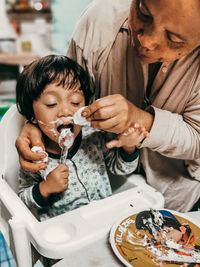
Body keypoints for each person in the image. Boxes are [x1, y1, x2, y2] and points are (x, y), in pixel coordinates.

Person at [15, 0, 200, 213]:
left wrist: (133, 137)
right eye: (144, 13)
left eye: (174, 39)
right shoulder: (99, 22)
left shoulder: (92, 142)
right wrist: (32, 121)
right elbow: (65, 85)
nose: (146, 41)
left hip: (172, 198)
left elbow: (120, 165)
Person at [16, 54, 148, 221]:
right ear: (32, 115)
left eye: (76, 102)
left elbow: (122, 170)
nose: (66, 111)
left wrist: (129, 147)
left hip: (103, 219)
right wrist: (45, 188)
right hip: (65, 232)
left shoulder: (92, 136)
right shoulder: (34, 155)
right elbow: (22, 202)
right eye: (51, 103)